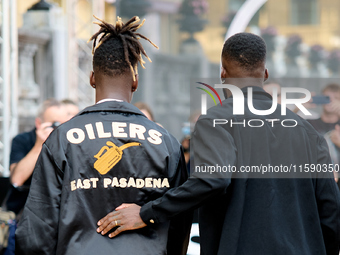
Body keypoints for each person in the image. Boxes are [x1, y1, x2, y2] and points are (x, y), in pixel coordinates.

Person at [97, 33, 340, 255]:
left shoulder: (216, 121)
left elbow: (212, 180)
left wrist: (146, 213)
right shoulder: (307, 131)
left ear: (222, 73)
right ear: (265, 74)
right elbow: (331, 209)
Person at [16, 16, 191, 255]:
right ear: (135, 82)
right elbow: (179, 224)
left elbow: (38, 229)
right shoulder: (165, 142)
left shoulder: (62, 138)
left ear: (91, 79)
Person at [6, 99, 69, 215]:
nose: (61, 130)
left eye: (65, 124)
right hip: (25, 210)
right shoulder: (23, 140)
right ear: (39, 124)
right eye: (56, 124)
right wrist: (39, 145)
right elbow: (17, 180)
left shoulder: (70, 141)